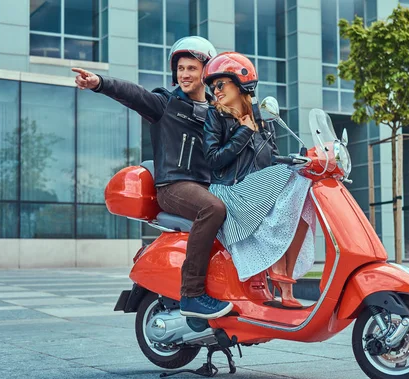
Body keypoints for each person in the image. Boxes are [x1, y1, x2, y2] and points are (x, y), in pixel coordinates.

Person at [72, 36, 233, 319]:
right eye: (181, 68)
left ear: (206, 72)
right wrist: (99, 83)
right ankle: (192, 294)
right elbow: (133, 94)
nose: (184, 74)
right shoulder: (165, 105)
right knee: (213, 209)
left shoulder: (217, 114)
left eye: (192, 68)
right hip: (175, 185)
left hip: (208, 186)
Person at [202, 52, 316, 308]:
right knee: (292, 184)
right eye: (212, 87)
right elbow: (213, 160)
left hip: (259, 190)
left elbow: (271, 158)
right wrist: (243, 131)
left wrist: (297, 160)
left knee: (305, 200)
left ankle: (284, 280)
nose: (215, 91)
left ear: (241, 83)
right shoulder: (216, 117)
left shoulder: (263, 120)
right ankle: (279, 272)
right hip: (231, 192)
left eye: (220, 84)